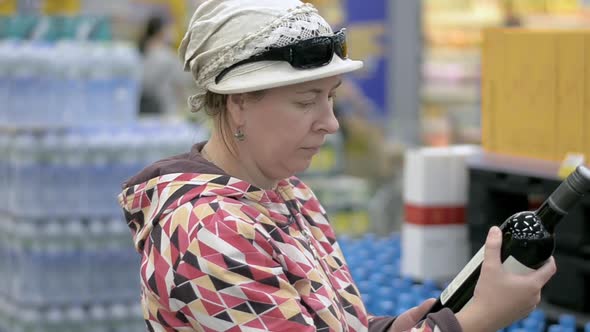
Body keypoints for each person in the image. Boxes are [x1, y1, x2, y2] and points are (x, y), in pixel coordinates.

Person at [118, 1, 556, 331]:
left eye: (331, 97)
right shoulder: (210, 233)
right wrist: (476, 320)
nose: (330, 123)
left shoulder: (286, 190)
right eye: (307, 101)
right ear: (238, 105)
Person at [137, 14, 191, 117]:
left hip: (144, 110)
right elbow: (182, 82)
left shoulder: (142, 51)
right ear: (160, 31)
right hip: (166, 110)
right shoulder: (166, 56)